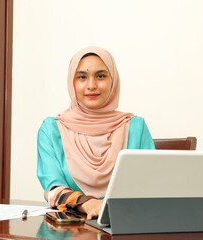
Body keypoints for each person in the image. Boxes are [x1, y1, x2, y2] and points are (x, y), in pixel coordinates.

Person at [37, 46, 155, 220]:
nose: (91, 86)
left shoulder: (135, 127)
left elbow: (150, 185)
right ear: (72, 82)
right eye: (82, 77)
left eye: (100, 76)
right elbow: (53, 189)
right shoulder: (52, 129)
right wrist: (88, 204)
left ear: (113, 80)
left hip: (126, 224)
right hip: (70, 229)